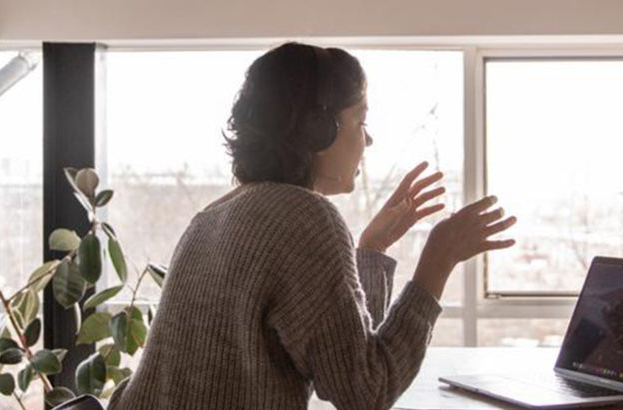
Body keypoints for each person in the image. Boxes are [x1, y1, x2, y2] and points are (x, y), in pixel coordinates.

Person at [107, 42, 517, 409]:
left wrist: (371, 251)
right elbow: (365, 393)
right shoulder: (305, 216)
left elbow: (342, 360)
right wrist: (437, 263)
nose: (367, 141)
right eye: (360, 121)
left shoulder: (216, 214)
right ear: (317, 130)